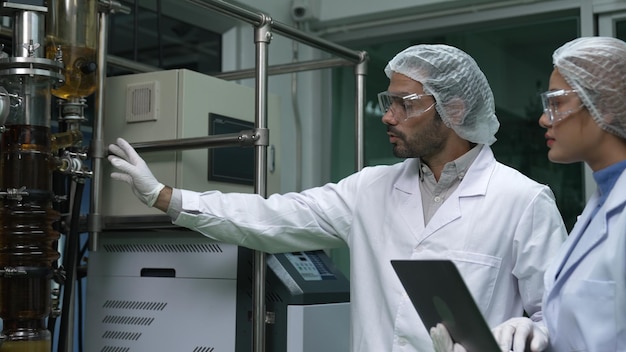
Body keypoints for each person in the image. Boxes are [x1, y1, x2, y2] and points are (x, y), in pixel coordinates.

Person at [107, 44, 567, 352]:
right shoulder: (371, 188)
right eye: (389, 101)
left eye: (405, 104)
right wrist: (167, 197)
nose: (388, 116)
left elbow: (560, 318)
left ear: (455, 109)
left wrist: (538, 332)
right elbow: (274, 219)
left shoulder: (522, 200)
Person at [433, 36, 626, 352]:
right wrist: (537, 334)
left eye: (557, 102)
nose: (543, 118)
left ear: (604, 108)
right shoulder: (600, 206)